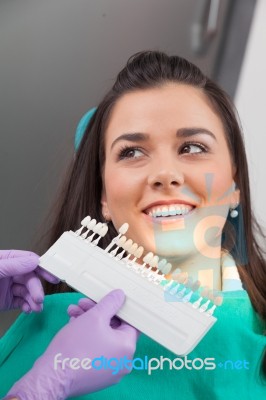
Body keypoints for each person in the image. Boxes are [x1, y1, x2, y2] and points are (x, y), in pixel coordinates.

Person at [1, 50, 266, 399]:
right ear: (104, 198)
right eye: (132, 152)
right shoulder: (41, 332)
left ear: (234, 185)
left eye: (192, 146)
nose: (165, 175)